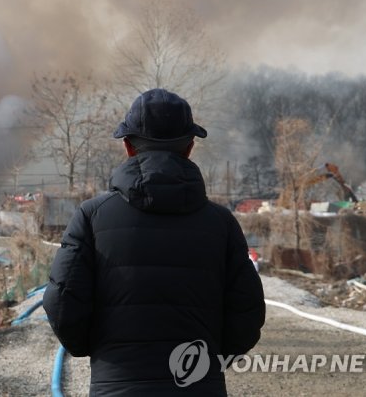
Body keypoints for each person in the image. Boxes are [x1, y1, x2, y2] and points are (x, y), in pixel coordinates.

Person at [43, 88, 265, 396]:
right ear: (189, 147)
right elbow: (247, 311)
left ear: (128, 147)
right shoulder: (222, 223)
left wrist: (98, 350)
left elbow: (62, 303)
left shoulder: (92, 217)